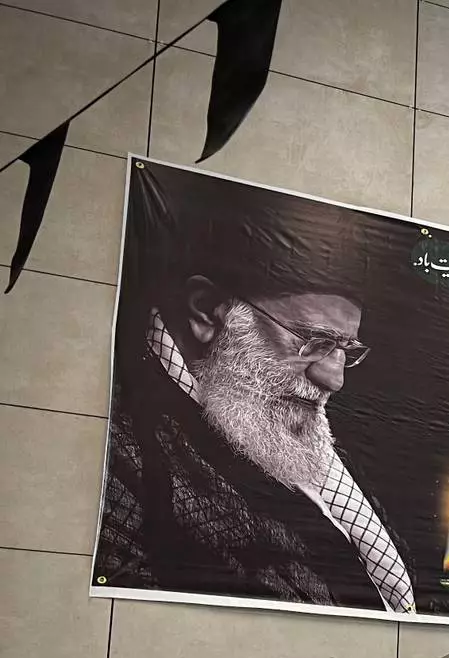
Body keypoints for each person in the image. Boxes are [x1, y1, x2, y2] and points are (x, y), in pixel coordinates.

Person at [94, 165, 415, 613]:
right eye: (314, 342)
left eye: (346, 349)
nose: (334, 379)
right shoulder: (113, 447)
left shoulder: (285, 424)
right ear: (207, 311)